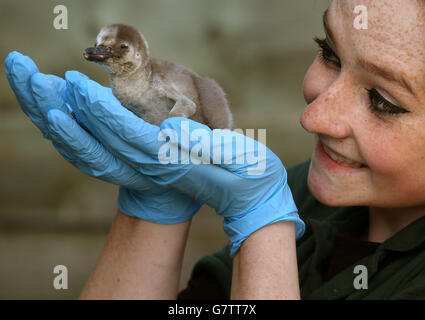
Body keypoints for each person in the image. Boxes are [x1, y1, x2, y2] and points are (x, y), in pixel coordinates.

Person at [5, 0, 425, 299]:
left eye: (383, 101)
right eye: (329, 52)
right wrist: (154, 208)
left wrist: (263, 230)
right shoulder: (304, 195)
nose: (312, 117)